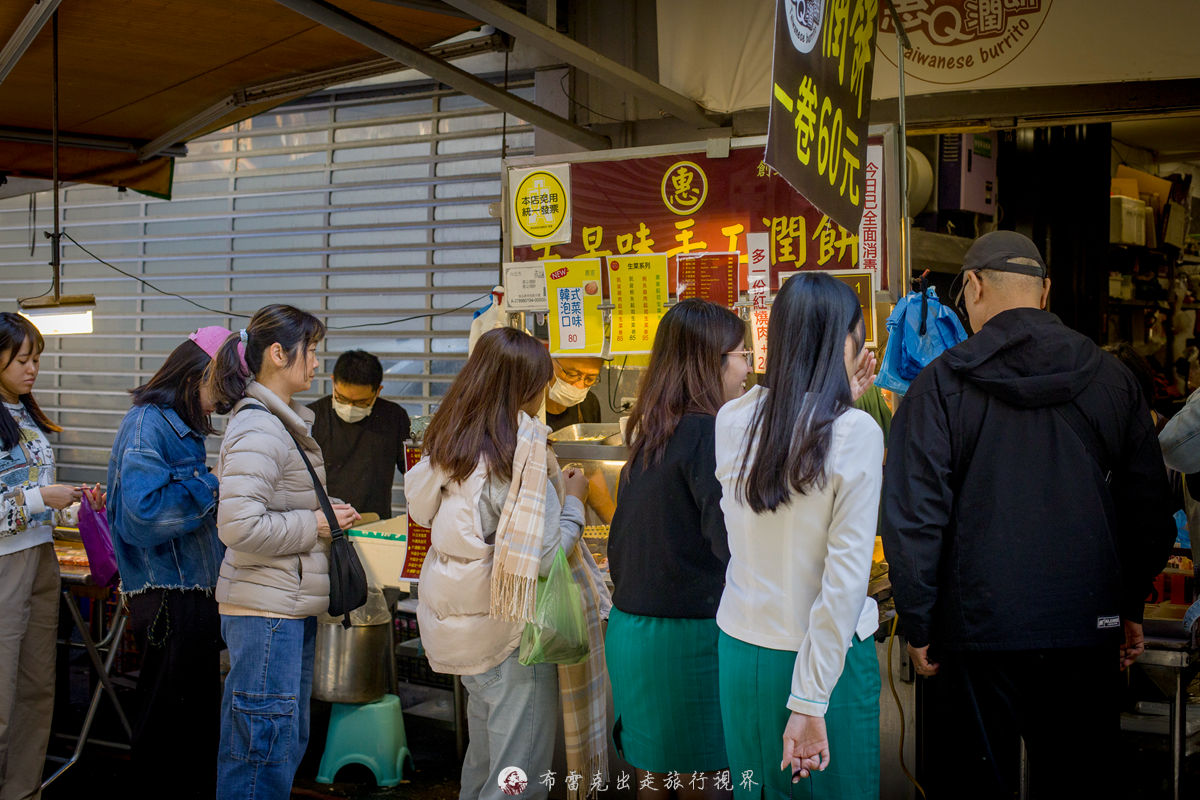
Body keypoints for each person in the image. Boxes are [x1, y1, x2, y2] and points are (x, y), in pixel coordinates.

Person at [881, 231, 1176, 799]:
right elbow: (1149, 510)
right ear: (1045, 292)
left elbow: (914, 515)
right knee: (1077, 783)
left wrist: (918, 620)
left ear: (972, 286)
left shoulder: (938, 386)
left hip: (972, 634)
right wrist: (1128, 605)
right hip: (1086, 628)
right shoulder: (1112, 380)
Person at [406, 327, 610, 800]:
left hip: (466, 630)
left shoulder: (451, 441)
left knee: (484, 763)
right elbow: (539, 558)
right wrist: (576, 502)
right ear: (523, 386)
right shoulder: (517, 453)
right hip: (512, 633)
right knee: (518, 778)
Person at [714, 273, 883, 799]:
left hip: (742, 652)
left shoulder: (731, 418)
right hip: (822, 667)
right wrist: (809, 702)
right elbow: (845, 582)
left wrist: (841, 405)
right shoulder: (855, 434)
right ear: (845, 341)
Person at [206, 305, 360, 800]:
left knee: (278, 742)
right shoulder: (259, 427)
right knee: (260, 750)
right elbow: (237, 524)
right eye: (311, 351)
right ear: (278, 353)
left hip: (284, 606)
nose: (317, 364)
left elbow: (270, 505)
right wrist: (314, 523)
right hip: (266, 611)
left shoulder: (276, 421)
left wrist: (322, 510)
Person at [605, 299, 747, 800]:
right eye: (740, 354)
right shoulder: (709, 432)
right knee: (704, 783)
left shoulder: (651, 430)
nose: (748, 367)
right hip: (686, 639)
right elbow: (732, 544)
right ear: (710, 364)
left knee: (655, 781)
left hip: (634, 634)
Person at [107, 326, 233, 800]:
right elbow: (144, 515)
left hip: (191, 591)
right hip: (168, 595)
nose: (221, 403)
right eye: (219, 390)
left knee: (193, 718)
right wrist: (213, 483)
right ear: (197, 376)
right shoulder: (148, 424)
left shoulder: (177, 427)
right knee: (168, 720)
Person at [0, 312, 81, 800]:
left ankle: (23, 790)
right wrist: (39, 500)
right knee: (2, 693)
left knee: (35, 687)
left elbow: (34, 492)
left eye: (36, 359)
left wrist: (68, 500)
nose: (32, 369)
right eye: (23, 359)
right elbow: (27, 499)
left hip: (40, 558)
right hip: (5, 565)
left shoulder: (24, 412)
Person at [308, 349, 411, 519]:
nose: (350, 407)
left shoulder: (394, 417)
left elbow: (413, 471)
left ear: (378, 391)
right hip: (324, 523)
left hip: (374, 527)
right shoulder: (312, 417)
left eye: (361, 402)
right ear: (333, 382)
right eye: (342, 398)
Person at [545, 355, 603, 431]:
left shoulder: (590, 402)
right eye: (572, 375)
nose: (580, 386)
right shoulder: (527, 405)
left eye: (590, 379)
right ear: (549, 364)